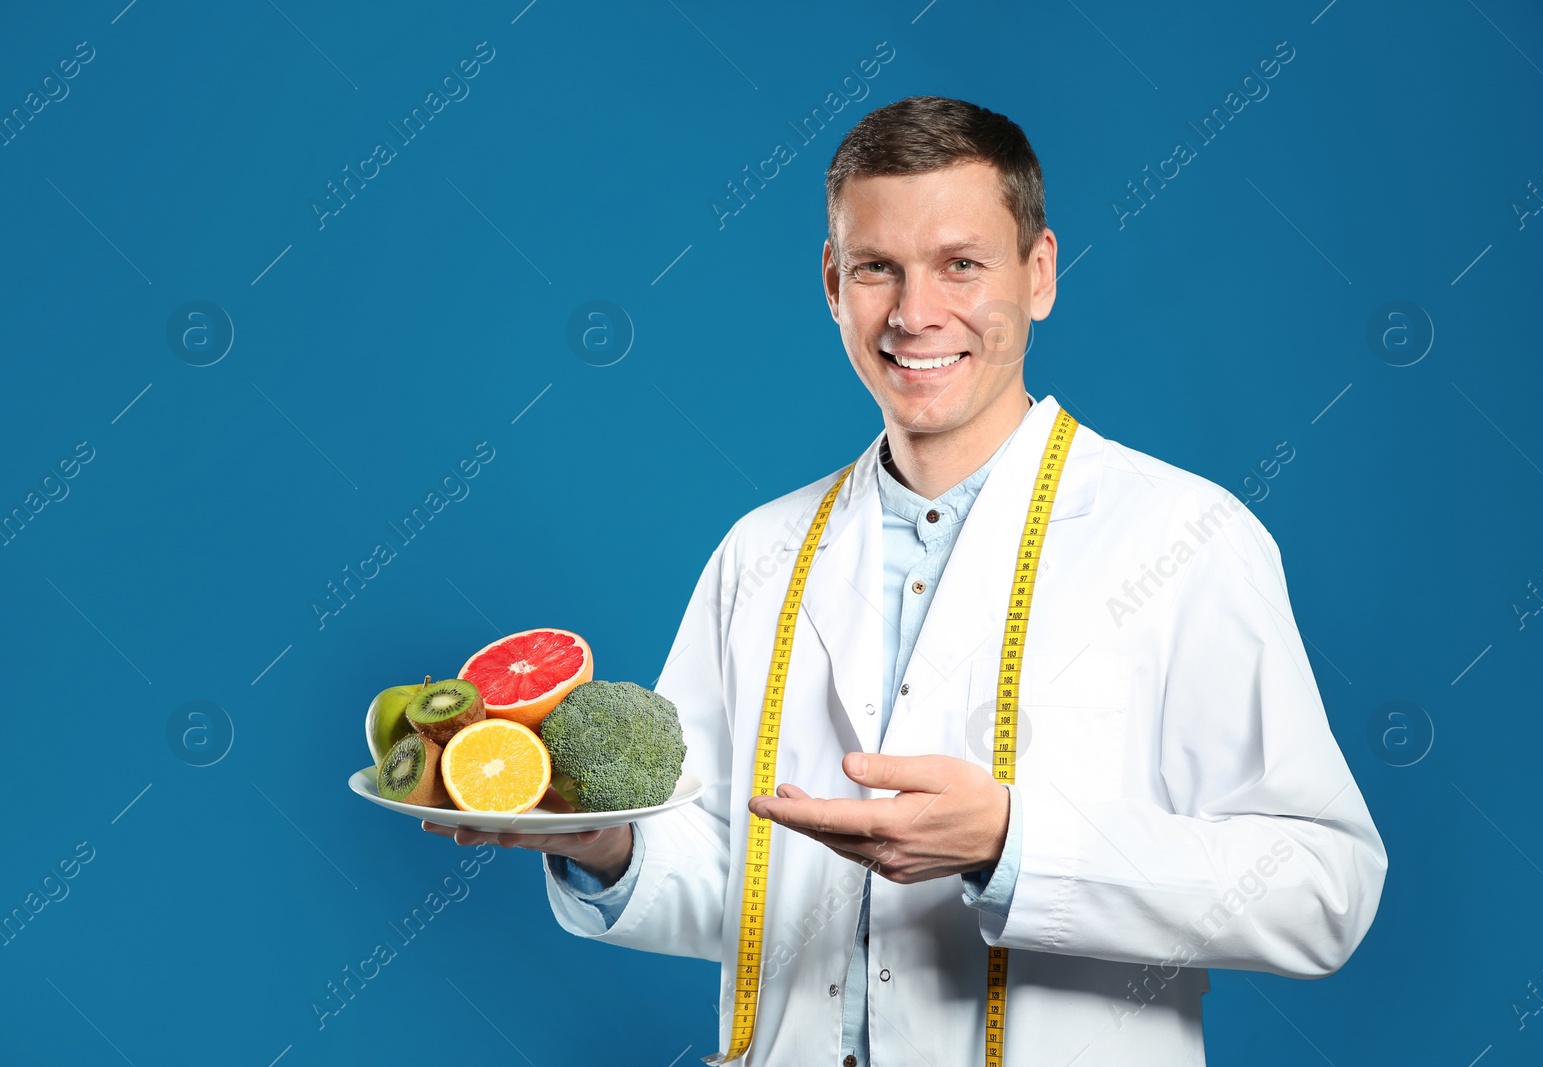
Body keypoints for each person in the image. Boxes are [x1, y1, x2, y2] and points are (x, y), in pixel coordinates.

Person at [424, 95, 1387, 1065]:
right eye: (877, 267)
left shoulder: (1184, 537)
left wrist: (1015, 843)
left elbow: (1321, 887)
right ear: (833, 283)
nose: (914, 313)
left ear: (1039, 273)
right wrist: (599, 841)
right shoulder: (759, 551)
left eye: (960, 264)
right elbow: (739, 878)